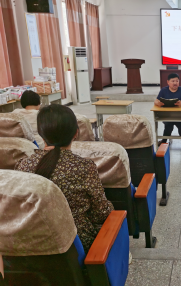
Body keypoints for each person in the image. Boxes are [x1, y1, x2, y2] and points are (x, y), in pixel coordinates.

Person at [15, 105, 114, 253]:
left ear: (41, 135)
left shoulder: (23, 165)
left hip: (30, 243)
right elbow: (100, 213)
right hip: (75, 245)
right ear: (76, 133)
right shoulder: (84, 167)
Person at [155, 73, 181, 147]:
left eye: (177, 81)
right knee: (168, 125)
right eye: (173, 81)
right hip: (167, 115)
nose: (175, 83)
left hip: (179, 115)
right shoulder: (163, 90)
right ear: (168, 82)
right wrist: (158, 103)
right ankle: (164, 141)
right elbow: (156, 101)